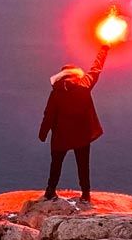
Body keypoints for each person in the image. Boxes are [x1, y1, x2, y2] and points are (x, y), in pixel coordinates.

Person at [38, 44, 109, 204]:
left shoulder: (56, 92)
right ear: (76, 75)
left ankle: (50, 191)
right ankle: (85, 194)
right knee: (83, 165)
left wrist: (43, 133)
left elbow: (48, 115)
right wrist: (104, 48)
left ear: (62, 76)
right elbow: (96, 68)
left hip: (61, 136)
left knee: (55, 164)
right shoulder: (84, 86)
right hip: (81, 135)